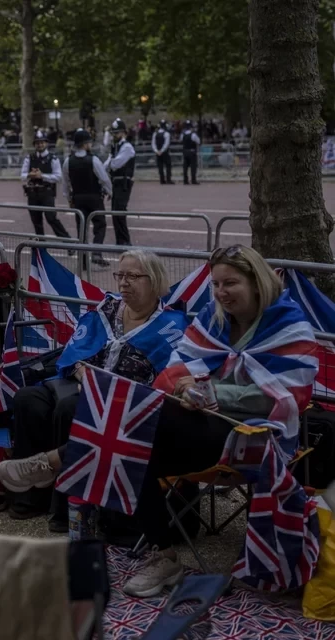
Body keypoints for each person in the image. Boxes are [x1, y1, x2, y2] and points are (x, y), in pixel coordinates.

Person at [122, 245, 317, 597]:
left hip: (256, 436)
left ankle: (58, 458)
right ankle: (164, 555)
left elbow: (283, 397)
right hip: (200, 426)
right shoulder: (213, 318)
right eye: (215, 284)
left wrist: (211, 392)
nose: (221, 293)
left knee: (140, 423)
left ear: (256, 282)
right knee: (132, 452)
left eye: (231, 283)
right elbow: (180, 364)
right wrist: (189, 389)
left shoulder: (291, 327)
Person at [0, 250, 187, 528]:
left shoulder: (171, 325)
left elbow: (166, 377)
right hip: (81, 381)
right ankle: (30, 496)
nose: (123, 283)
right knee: (28, 399)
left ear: (155, 280)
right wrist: (82, 372)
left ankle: (67, 509)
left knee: (69, 409)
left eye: (132, 276)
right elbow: (76, 351)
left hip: (123, 398)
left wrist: (100, 386)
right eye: (120, 275)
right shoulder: (107, 310)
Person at [63, 129, 112, 267]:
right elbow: (104, 178)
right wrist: (110, 192)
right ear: (85, 144)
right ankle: (96, 253)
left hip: (78, 198)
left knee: (82, 228)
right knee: (100, 225)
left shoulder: (68, 161)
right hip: (94, 197)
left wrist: (69, 199)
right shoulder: (93, 160)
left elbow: (65, 183)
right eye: (89, 142)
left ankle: (83, 259)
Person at [22, 129, 70, 239]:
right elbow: (22, 175)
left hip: (47, 193)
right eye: (37, 142)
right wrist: (30, 175)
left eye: (42, 142)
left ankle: (68, 242)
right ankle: (41, 246)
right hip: (32, 194)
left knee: (51, 218)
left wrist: (42, 176)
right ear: (34, 144)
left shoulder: (53, 159)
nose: (40, 145)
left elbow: (58, 177)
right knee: (36, 221)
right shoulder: (30, 158)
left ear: (46, 143)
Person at [105, 118, 134, 246]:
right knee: (115, 214)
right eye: (113, 133)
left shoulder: (127, 147)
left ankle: (125, 242)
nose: (114, 136)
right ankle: (120, 242)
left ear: (123, 132)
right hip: (115, 182)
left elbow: (116, 164)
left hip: (123, 183)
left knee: (120, 212)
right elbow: (108, 164)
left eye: (116, 133)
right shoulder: (116, 147)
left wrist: (109, 163)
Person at [152, 120, 173, 185]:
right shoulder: (167, 133)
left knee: (160, 166)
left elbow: (153, 143)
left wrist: (156, 151)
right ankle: (168, 180)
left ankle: (162, 180)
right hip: (165, 152)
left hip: (158, 152)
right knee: (168, 166)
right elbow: (166, 144)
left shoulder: (155, 133)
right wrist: (162, 150)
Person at [181, 120, 201, 185]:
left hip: (185, 151)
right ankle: (193, 180)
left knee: (185, 167)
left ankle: (185, 180)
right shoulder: (193, 134)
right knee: (193, 166)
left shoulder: (182, 134)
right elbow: (198, 141)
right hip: (192, 151)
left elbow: (181, 140)